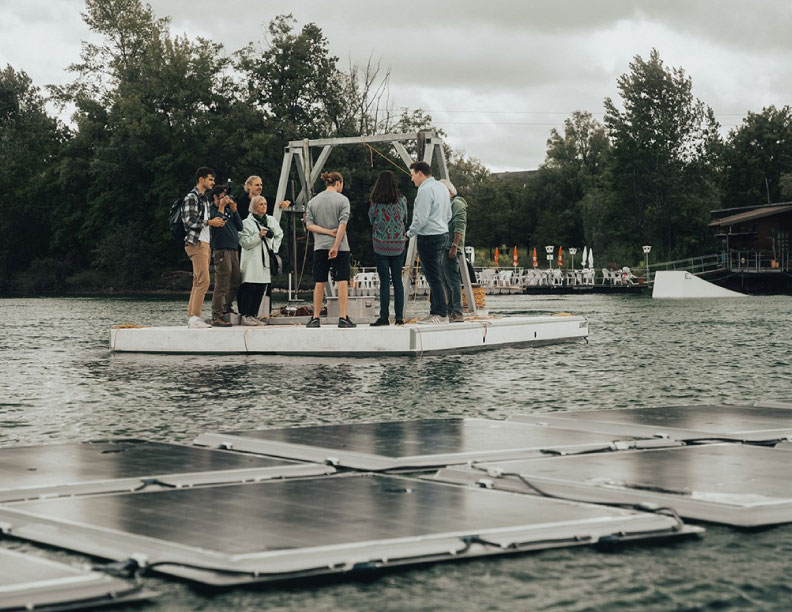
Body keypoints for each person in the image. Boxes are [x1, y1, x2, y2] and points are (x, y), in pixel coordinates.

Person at [304, 171, 356, 328]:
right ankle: (342, 317)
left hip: (320, 246)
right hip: (340, 247)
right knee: (341, 281)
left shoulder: (313, 202)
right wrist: (335, 245)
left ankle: (315, 317)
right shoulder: (343, 200)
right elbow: (342, 225)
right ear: (338, 183)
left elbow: (309, 225)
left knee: (319, 281)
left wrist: (326, 232)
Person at [407, 161, 451, 324]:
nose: (412, 180)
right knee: (436, 274)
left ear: (419, 173)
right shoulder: (441, 187)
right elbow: (448, 215)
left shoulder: (424, 190)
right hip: (443, 233)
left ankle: (439, 313)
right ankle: (437, 311)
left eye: (412, 175)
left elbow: (421, 218)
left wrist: (410, 232)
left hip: (429, 236)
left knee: (433, 275)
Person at [182, 167, 225, 328]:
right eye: (210, 179)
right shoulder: (192, 197)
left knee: (198, 281)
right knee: (204, 281)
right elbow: (189, 222)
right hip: (196, 242)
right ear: (201, 179)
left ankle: (193, 316)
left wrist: (216, 220)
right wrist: (209, 222)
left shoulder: (205, 199)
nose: (213, 182)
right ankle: (195, 317)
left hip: (205, 243)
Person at [368, 170, 408, 326]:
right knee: (398, 280)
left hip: (380, 243)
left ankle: (384, 317)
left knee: (384, 281)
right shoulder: (402, 200)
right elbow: (405, 218)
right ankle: (399, 318)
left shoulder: (375, 201)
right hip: (398, 243)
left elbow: (371, 219)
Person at [238, 195, 284, 325]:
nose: (264, 206)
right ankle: (245, 315)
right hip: (252, 260)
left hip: (265, 259)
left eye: (265, 204)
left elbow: (279, 234)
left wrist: (274, 248)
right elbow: (244, 242)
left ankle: (254, 314)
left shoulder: (271, 220)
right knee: (250, 287)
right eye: (260, 204)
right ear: (254, 207)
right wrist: (258, 236)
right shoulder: (246, 223)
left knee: (261, 287)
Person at [208, 183, 244, 327]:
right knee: (222, 282)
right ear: (216, 197)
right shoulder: (211, 211)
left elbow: (240, 227)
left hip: (233, 249)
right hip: (221, 250)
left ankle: (226, 307)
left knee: (236, 279)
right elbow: (216, 223)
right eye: (223, 196)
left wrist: (234, 211)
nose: (226, 199)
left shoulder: (229, 210)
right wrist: (221, 207)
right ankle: (216, 315)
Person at [439, 179, 468, 323]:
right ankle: (451, 311)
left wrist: (454, 246)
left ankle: (457, 312)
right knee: (446, 282)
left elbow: (459, 226)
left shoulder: (457, 204)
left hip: (451, 247)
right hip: (445, 247)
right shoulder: (448, 205)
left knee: (453, 281)